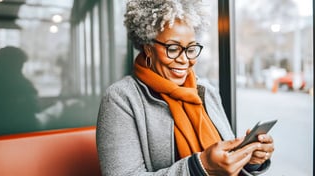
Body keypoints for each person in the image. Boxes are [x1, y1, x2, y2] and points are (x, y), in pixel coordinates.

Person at [96, 0, 274, 175]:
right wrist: (199, 167)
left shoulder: (206, 91)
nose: (184, 60)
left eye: (190, 49)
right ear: (148, 47)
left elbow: (225, 161)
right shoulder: (121, 99)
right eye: (173, 49)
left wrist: (249, 161)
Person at [0, 46, 40, 135]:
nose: (20, 71)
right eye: (19, 66)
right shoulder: (19, 84)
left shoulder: (20, 82)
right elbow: (34, 107)